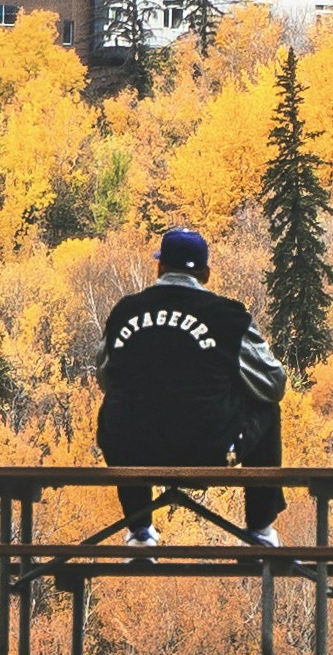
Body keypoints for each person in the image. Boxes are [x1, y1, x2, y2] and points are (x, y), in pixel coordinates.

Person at [96, 226, 287, 545]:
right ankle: (260, 528)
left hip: (134, 455)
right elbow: (273, 383)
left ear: (159, 268)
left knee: (121, 407)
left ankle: (139, 529)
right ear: (206, 273)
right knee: (267, 406)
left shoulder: (124, 312)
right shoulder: (229, 317)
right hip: (207, 451)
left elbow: (105, 376)